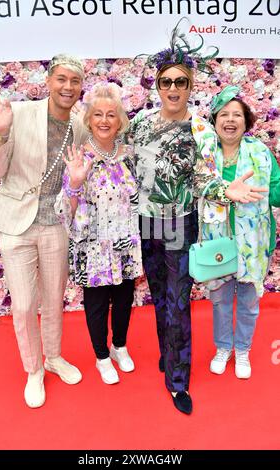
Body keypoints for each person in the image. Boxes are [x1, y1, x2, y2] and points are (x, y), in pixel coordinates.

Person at [127, 25, 267, 414]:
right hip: (146, 223)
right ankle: (167, 354)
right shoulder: (140, 123)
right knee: (159, 298)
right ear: (157, 85)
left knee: (177, 302)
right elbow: (127, 168)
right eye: (166, 81)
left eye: (181, 82)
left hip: (179, 225)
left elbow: (206, 177)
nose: (173, 88)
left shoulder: (201, 130)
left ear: (190, 87)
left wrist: (227, 191)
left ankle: (177, 381)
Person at [0, 53, 87, 408]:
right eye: (62, 79)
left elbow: (79, 177)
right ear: (49, 81)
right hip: (17, 224)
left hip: (55, 223)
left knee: (53, 298)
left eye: (74, 81)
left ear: (80, 87)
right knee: (25, 304)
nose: (67, 87)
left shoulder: (80, 126)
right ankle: (33, 370)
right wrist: (0, 134)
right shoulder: (19, 113)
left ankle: (54, 357)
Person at [55, 82, 142, 385]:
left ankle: (119, 346)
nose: (104, 121)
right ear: (89, 120)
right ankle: (102, 356)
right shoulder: (78, 157)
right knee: (95, 303)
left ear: (120, 121)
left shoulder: (129, 154)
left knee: (123, 298)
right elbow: (66, 208)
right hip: (92, 244)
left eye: (111, 115)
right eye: (98, 115)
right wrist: (75, 183)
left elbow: (139, 198)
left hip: (125, 240)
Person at [201, 86, 280, 379]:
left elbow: (274, 191)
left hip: (254, 242)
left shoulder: (261, 152)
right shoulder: (205, 156)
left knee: (248, 300)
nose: (230, 120)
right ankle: (224, 347)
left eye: (237, 114)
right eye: (224, 114)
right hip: (216, 240)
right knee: (220, 299)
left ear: (246, 122)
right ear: (215, 119)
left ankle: (243, 349)